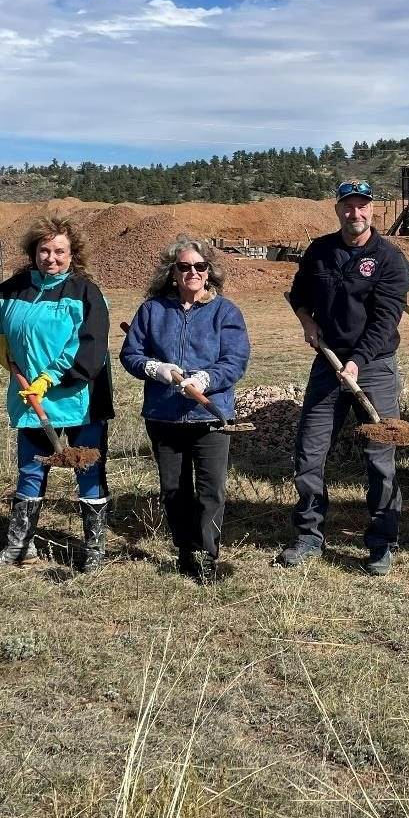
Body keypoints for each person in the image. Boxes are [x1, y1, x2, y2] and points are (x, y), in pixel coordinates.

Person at [280, 179, 409, 576]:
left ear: (372, 210)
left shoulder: (389, 259)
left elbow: (385, 320)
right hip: (327, 363)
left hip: (373, 368)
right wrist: (306, 322)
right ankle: (308, 534)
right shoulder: (320, 251)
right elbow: (299, 293)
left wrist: (355, 363)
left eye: (362, 206)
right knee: (310, 450)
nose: (355, 214)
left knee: (379, 457)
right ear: (338, 209)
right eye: (348, 206)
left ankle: (381, 541)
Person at [0, 217, 115, 572]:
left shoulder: (86, 293)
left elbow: (90, 348)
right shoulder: (12, 289)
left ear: (74, 254)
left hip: (79, 399)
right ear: (33, 252)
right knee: (29, 471)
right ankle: (19, 547)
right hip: (30, 399)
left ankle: (95, 550)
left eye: (59, 251)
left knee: (87, 472)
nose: (51, 258)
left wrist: (49, 378)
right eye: (44, 250)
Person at [120, 237, 249, 583]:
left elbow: (235, 360)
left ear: (209, 273)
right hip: (164, 415)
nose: (193, 272)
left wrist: (207, 379)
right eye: (184, 266)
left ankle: (207, 555)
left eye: (200, 266)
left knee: (211, 490)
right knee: (174, 489)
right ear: (173, 273)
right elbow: (130, 354)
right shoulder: (152, 310)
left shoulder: (226, 312)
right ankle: (184, 550)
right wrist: (155, 369)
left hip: (211, 417)